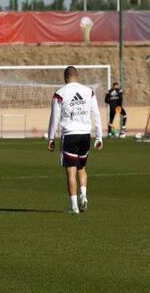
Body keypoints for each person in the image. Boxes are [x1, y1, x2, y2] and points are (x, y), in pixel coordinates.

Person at [47, 66, 103, 214]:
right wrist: (99, 136)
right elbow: (96, 114)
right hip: (85, 135)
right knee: (82, 168)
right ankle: (83, 195)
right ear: (77, 76)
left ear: (65, 78)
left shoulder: (60, 93)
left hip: (70, 135)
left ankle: (73, 207)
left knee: (70, 173)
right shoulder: (89, 91)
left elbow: (54, 118)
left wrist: (50, 138)